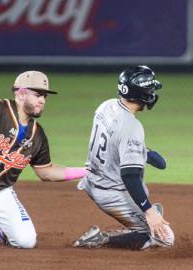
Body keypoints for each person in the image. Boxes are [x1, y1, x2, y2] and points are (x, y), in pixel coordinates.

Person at [0, 71, 87, 248]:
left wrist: (86, 171)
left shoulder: (38, 135)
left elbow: (46, 172)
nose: (42, 100)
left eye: (44, 96)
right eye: (37, 95)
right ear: (21, 94)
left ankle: (0, 225)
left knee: (26, 241)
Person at [73, 65, 175, 250]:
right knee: (165, 238)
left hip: (91, 179)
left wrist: (144, 152)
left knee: (142, 190)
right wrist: (149, 212)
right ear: (142, 94)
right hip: (111, 193)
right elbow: (130, 176)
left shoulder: (107, 105)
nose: (153, 93)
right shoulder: (132, 127)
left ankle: (142, 216)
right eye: (151, 89)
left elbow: (115, 140)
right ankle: (101, 239)